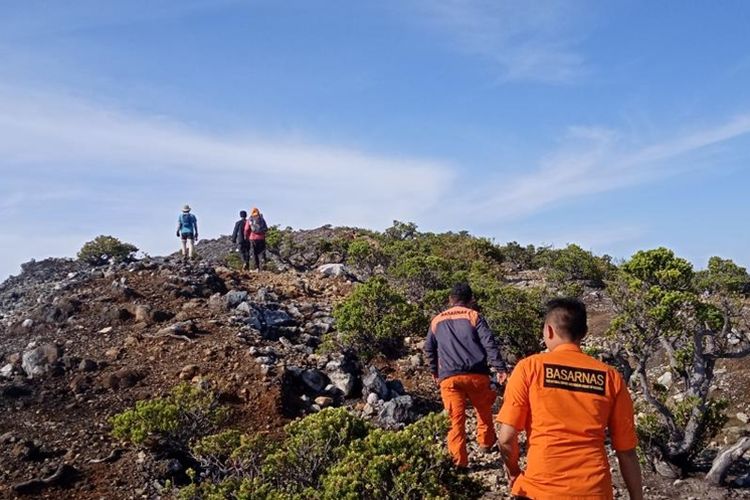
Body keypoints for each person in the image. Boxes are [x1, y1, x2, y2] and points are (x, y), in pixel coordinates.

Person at [496, 298, 643, 500]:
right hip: (594, 491)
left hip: (540, 491)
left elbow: (506, 438)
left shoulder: (529, 368)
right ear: (583, 333)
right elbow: (626, 451)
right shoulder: (610, 377)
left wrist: (513, 471)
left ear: (548, 331)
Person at [423, 282, 508, 469]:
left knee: (455, 420)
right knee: (484, 410)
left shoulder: (436, 320)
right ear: (471, 300)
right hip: (476, 374)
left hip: (449, 378)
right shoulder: (474, 316)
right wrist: (500, 368)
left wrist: (434, 371)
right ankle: (485, 443)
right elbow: (489, 344)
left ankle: (459, 461)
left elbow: (429, 348)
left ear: (450, 300)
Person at [243, 207, 267, 271]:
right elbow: (266, 228)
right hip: (261, 238)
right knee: (261, 252)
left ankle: (257, 268)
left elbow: (246, 229)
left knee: (254, 253)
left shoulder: (250, 219)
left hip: (252, 238)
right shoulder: (262, 219)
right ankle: (263, 262)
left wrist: (247, 236)